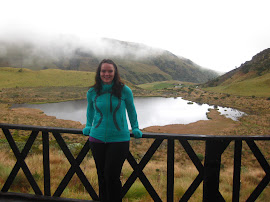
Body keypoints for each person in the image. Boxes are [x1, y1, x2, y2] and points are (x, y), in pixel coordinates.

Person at [83, 59, 142, 202]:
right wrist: (88, 125)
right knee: (102, 177)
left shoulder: (124, 90)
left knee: (112, 177)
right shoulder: (92, 92)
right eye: (103, 71)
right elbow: (90, 110)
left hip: (119, 139)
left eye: (110, 71)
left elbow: (131, 110)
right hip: (96, 138)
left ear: (115, 73)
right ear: (99, 73)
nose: (106, 74)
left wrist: (135, 127)